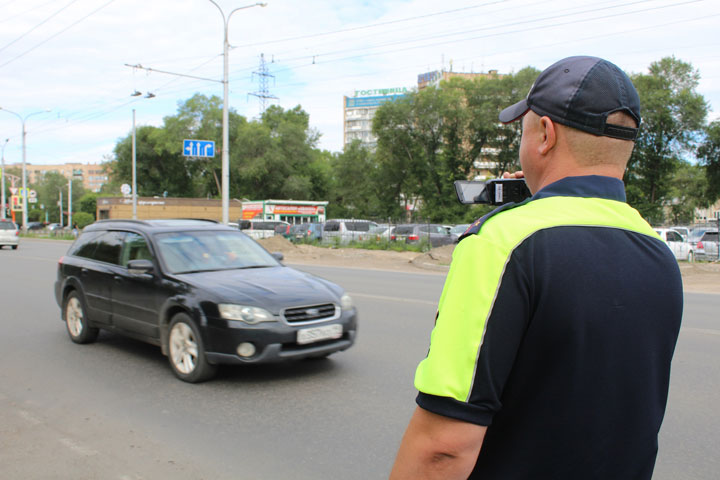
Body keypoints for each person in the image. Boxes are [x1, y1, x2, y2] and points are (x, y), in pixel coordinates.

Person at [390, 56, 683, 480]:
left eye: (523, 131)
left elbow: (443, 449)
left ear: (545, 134)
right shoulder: (658, 253)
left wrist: (517, 218)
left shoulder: (502, 242)